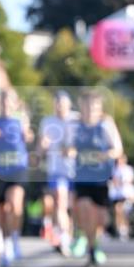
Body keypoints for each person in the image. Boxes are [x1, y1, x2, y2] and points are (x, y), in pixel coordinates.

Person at [69, 90, 123, 267]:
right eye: (87, 106)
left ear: (99, 108)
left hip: (101, 178)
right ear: (81, 107)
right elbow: (66, 148)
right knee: (85, 210)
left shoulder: (106, 124)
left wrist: (106, 155)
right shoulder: (74, 126)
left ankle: (95, 243)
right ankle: (91, 249)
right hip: (82, 177)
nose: (90, 110)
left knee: (101, 219)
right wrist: (70, 152)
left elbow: (118, 149)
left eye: (94, 107)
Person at [0, 89, 34, 267]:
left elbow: (29, 136)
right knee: (0, 211)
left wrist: (28, 134)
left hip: (18, 168)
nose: (6, 104)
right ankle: (7, 243)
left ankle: (14, 238)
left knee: (14, 205)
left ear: (15, 103)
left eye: (9, 101)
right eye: (3, 101)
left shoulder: (20, 120)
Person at [37, 90, 76, 256]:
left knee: (72, 208)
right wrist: (42, 148)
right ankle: (64, 238)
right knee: (60, 202)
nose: (59, 107)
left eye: (62, 103)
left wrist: (73, 150)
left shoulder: (77, 119)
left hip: (75, 170)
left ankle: (68, 236)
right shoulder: (47, 121)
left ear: (69, 104)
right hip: (56, 169)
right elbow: (41, 147)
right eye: (57, 104)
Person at [108, 154, 134, 240]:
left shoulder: (129, 169)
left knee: (125, 212)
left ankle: (125, 229)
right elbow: (113, 180)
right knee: (118, 210)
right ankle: (120, 229)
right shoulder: (115, 169)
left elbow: (132, 180)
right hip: (118, 194)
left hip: (127, 194)